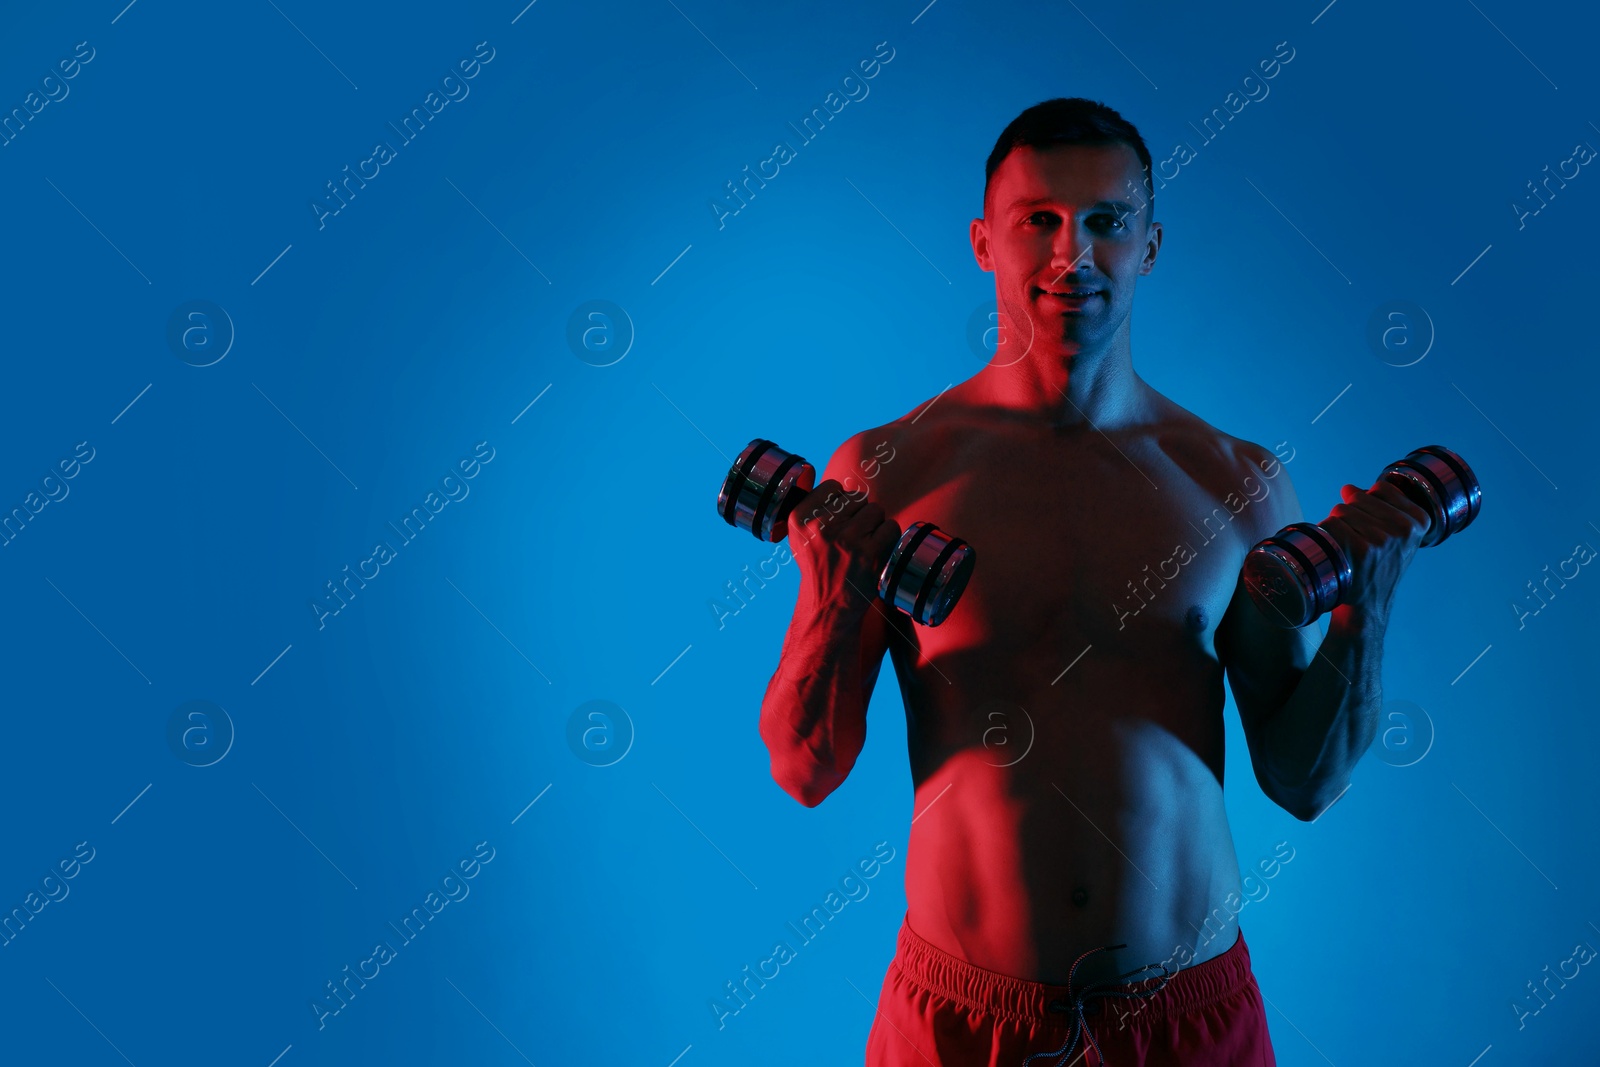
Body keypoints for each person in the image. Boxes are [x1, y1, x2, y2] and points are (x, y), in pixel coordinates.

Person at [756, 98, 1432, 1066]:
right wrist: (832, 592)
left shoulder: (1232, 480)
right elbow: (804, 769)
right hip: (961, 1022)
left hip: (1186, 1020)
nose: (1072, 253)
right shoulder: (888, 472)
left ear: (1148, 246)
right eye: (1038, 220)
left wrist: (1367, 610)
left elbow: (1304, 780)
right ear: (983, 241)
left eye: (1106, 221)